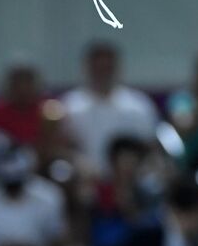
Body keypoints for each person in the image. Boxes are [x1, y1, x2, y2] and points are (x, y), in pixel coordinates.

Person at [62, 42, 159, 174]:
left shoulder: (139, 106)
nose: (103, 73)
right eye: (98, 68)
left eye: (107, 67)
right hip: (83, 179)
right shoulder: (69, 106)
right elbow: (62, 147)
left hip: (130, 179)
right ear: (87, 68)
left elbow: (150, 146)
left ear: (117, 68)